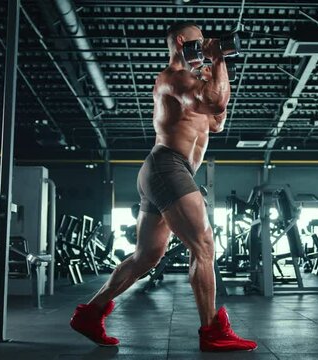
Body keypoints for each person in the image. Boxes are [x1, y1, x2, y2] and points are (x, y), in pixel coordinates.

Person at [69, 22, 257, 352]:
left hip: (167, 169)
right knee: (204, 245)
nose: (206, 48)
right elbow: (215, 101)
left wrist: (213, 66)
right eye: (201, 44)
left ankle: (91, 313)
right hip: (167, 165)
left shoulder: (194, 84)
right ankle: (212, 331)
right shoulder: (174, 77)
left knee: (146, 257)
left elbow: (218, 118)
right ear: (182, 43)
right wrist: (219, 60)